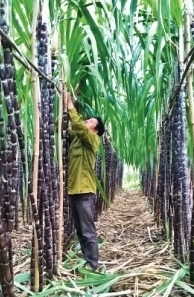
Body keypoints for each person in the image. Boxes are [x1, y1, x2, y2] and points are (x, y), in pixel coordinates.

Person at [64, 91, 105, 271]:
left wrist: (71, 108)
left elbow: (78, 127)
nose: (87, 122)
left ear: (95, 130)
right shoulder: (78, 140)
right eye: (87, 120)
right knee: (80, 230)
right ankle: (87, 260)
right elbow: (71, 130)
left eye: (90, 122)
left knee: (88, 230)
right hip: (74, 190)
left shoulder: (93, 140)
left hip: (85, 191)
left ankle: (93, 264)